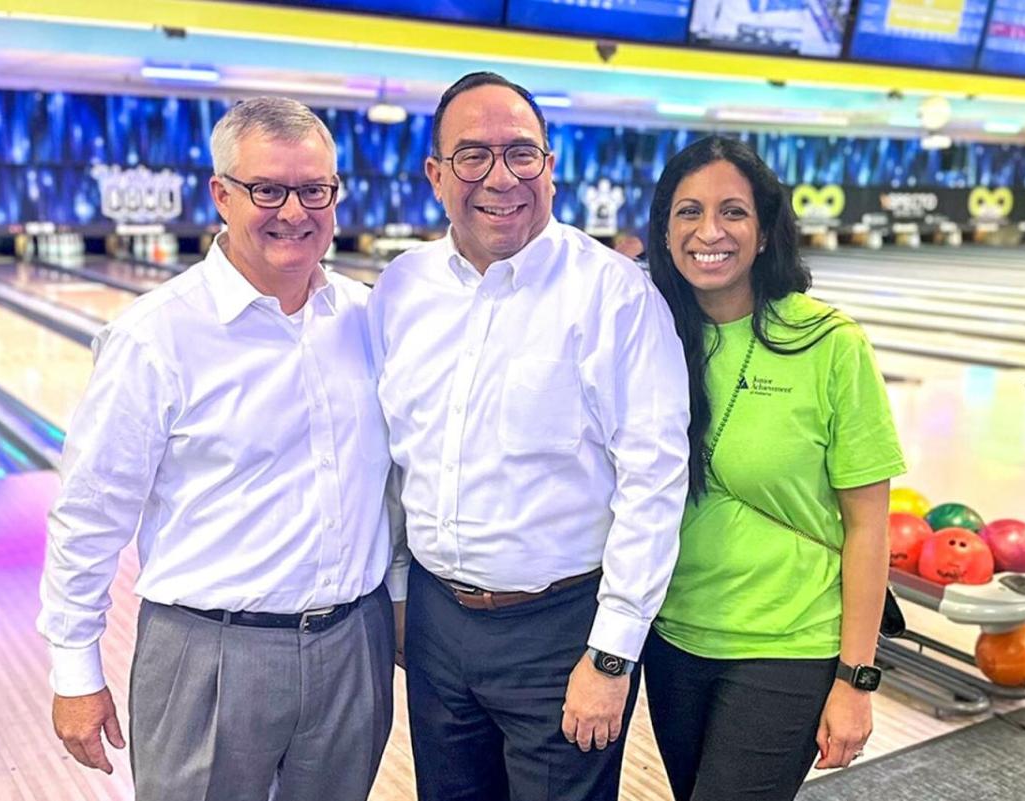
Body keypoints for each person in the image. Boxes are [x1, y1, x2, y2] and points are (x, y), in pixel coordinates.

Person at [37, 96, 402, 801]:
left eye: (314, 190)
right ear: (222, 194)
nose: (294, 211)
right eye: (267, 189)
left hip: (354, 642)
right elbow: (90, 512)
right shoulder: (156, 336)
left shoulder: (369, 320)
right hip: (208, 651)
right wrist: (75, 669)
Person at [367, 71, 690, 801]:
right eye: (473, 155)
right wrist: (395, 596)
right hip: (436, 620)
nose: (501, 177)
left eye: (521, 154)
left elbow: (654, 482)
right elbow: (388, 461)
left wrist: (611, 656)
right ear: (436, 174)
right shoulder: (400, 289)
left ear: (550, 164)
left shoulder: (615, 295)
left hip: (563, 629)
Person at [642, 135, 905, 801]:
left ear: (763, 233)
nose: (709, 231)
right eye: (687, 211)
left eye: (733, 212)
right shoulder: (645, 338)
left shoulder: (830, 345)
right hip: (674, 640)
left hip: (788, 644)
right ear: (664, 230)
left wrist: (855, 679)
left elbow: (869, 527)